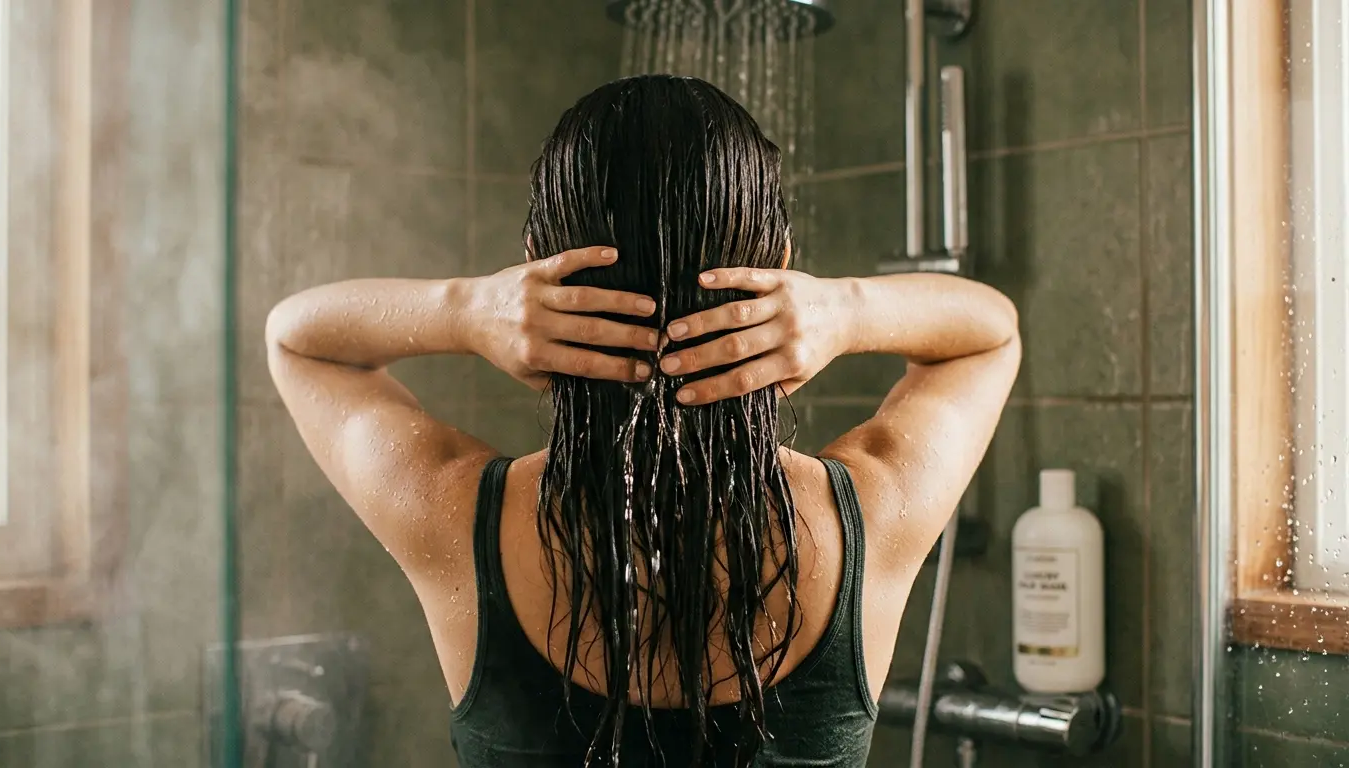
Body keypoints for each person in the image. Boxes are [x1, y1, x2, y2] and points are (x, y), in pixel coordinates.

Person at [266, 75, 1019, 767]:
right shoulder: (870, 516)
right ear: (780, 266)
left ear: (536, 266)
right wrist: (847, 309)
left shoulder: (457, 518)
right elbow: (991, 334)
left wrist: (466, 308)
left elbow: (298, 340)